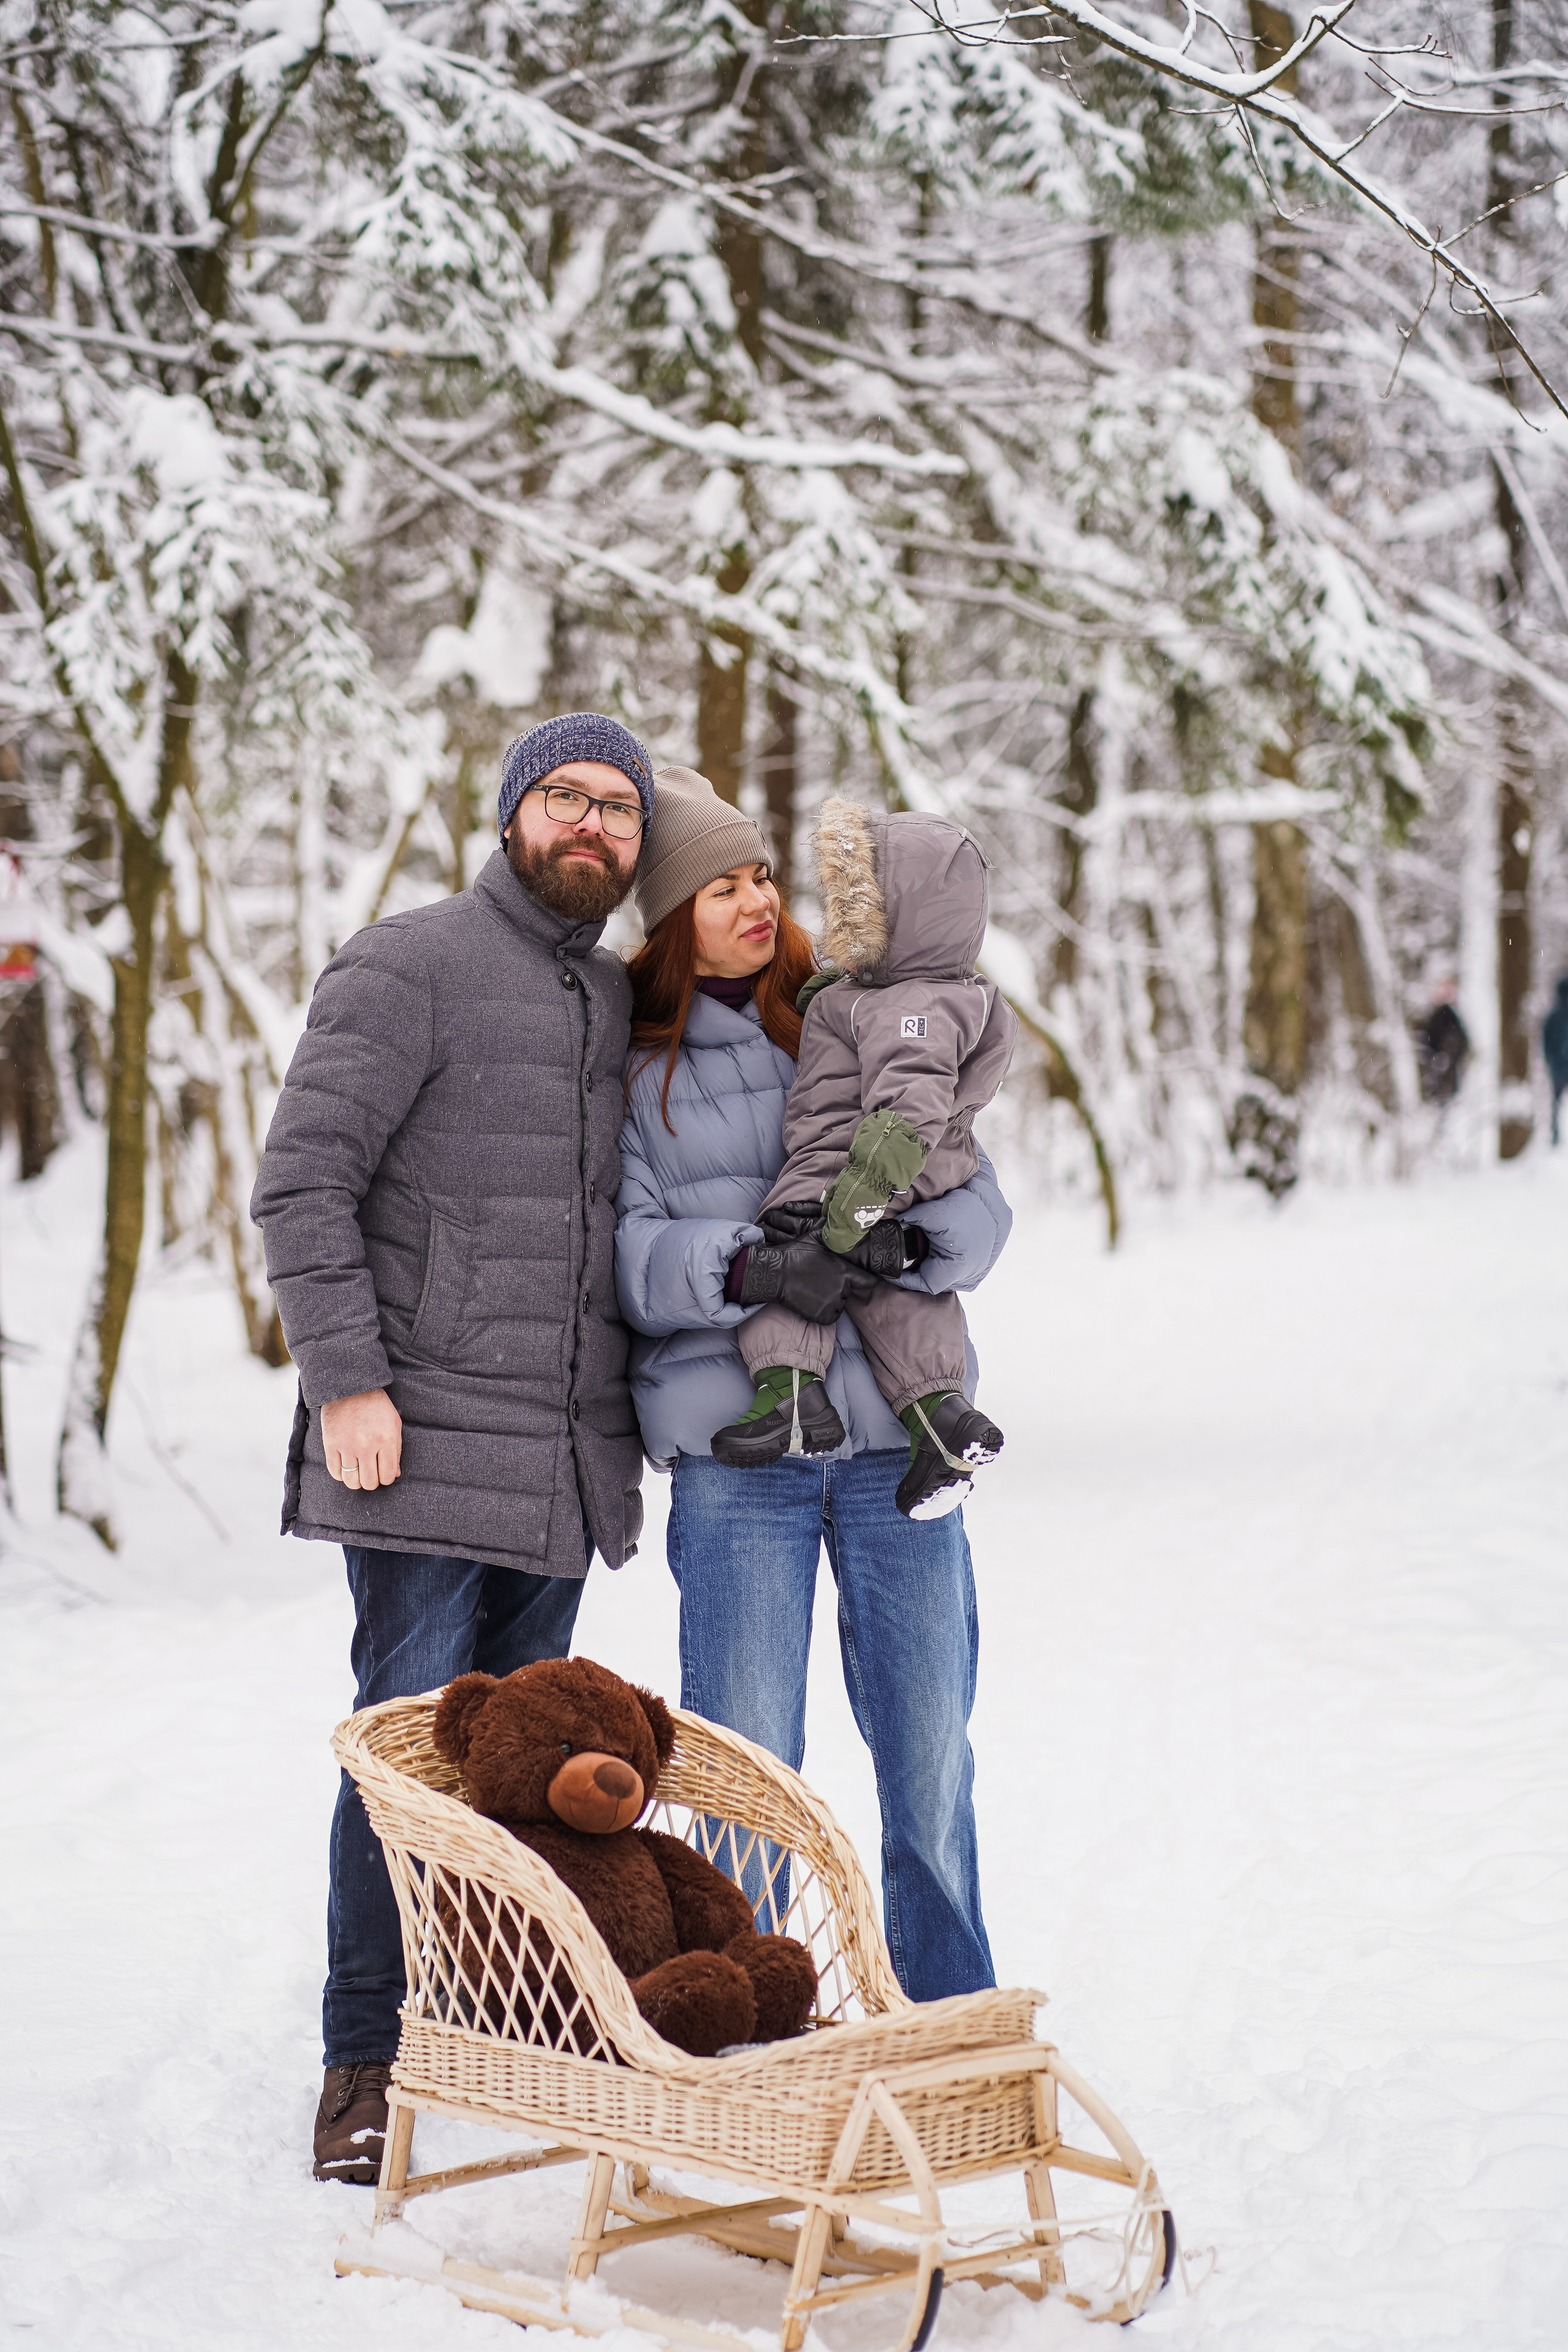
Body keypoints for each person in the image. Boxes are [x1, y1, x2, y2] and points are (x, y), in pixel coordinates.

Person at [251, 712, 652, 2183]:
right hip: (415, 1443)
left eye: (617, 808)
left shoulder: (613, 996)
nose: (591, 825)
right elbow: (302, 1181)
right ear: (509, 815)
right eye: (566, 797)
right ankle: (364, 2061)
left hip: (560, 1459)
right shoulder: (407, 963)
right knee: (407, 1761)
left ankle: (492, 2023)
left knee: (527, 1770)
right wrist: (346, 1380)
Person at [615, 767, 1011, 2002]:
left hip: (897, 1449)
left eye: (761, 877)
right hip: (744, 1463)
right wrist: (746, 1263)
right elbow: (625, 1257)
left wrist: (915, 1243)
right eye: (719, 888)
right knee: (747, 1777)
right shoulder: (631, 1068)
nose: (755, 902)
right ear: (671, 919)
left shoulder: (852, 1008)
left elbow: (980, 1206)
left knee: (928, 1763)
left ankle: (948, 2020)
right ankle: (743, 2025)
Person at [712, 794, 1017, 1521]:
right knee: (901, 1295)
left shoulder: (912, 1005)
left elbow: (908, 1106)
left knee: (791, 1256)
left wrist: (853, 1205)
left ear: (905, 919)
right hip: (910, 1176)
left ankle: (788, 1391)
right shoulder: (923, 994)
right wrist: (841, 998)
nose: (841, 922)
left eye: (860, 909)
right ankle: (941, 1418)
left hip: (854, 1170)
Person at [1415, 987, 1469, 1107]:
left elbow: (1462, 1042)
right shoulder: (1435, 1016)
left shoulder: (1449, 1016)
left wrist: (1448, 1056)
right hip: (1436, 1068)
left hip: (1447, 1068)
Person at [1544, 978, 1568, 1145]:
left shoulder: (1552, 1017)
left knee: (1556, 1102)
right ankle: (1555, 1134)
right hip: (1559, 1065)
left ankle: (1555, 1134)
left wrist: (1551, 1061)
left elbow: (1546, 1043)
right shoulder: (1553, 1017)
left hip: (1558, 1067)